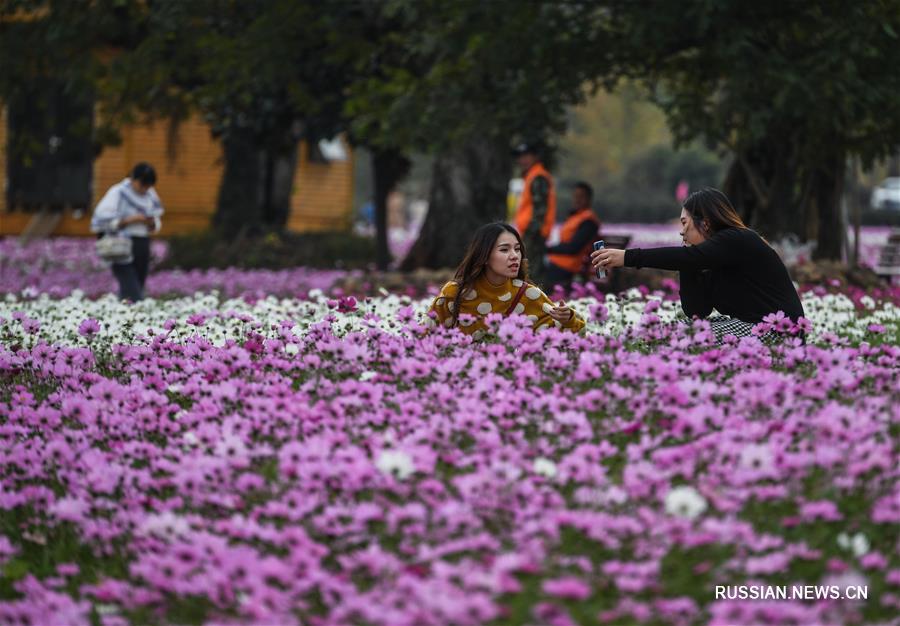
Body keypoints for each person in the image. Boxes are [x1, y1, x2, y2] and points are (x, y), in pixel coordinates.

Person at [591, 187, 804, 342]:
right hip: (749, 328)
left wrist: (627, 257)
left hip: (777, 332)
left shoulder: (738, 238)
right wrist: (688, 262)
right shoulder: (708, 259)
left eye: (685, 223)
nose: (681, 231)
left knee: (683, 337)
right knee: (662, 332)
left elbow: (694, 259)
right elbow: (697, 312)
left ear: (706, 223)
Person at [430, 222, 585, 338]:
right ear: (484, 256)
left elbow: (563, 339)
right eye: (504, 250)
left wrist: (568, 320)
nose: (514, 256)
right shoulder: (455, 293)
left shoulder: (528, 295)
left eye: (517, 249)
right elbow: (425, 335)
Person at [90, 162, 164, 302]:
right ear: (133, 179)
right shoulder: (118, 192)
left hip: (142, 242)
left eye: (148, 186)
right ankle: (134, 310)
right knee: (130, 286)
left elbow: (157, 218)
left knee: (138, 282)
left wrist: (151, 222)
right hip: (120, 244)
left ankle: (124, 314)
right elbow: (102, 217)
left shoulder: (150, 195)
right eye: (142, 184)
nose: (144, 189)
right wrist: (129, 220)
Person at [512, 141, 556, 287]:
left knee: (531, 271)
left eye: (526, 156)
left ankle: (536, 303)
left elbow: (540, 211)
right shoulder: (532, 176)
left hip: (534, 233)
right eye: (520, 156)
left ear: (535, 157)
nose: (522, 160)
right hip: (530, 231)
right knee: (529, 270)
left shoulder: (538, 177)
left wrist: (532, 233)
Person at [545, 182, 601, 289]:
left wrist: (548, 249)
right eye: (575, 196)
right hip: (556, 262)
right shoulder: (576, 216)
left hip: (567, 266)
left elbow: (573, 248)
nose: (577, 200)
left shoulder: (589, 221)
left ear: (589, 199)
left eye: (581, 197)